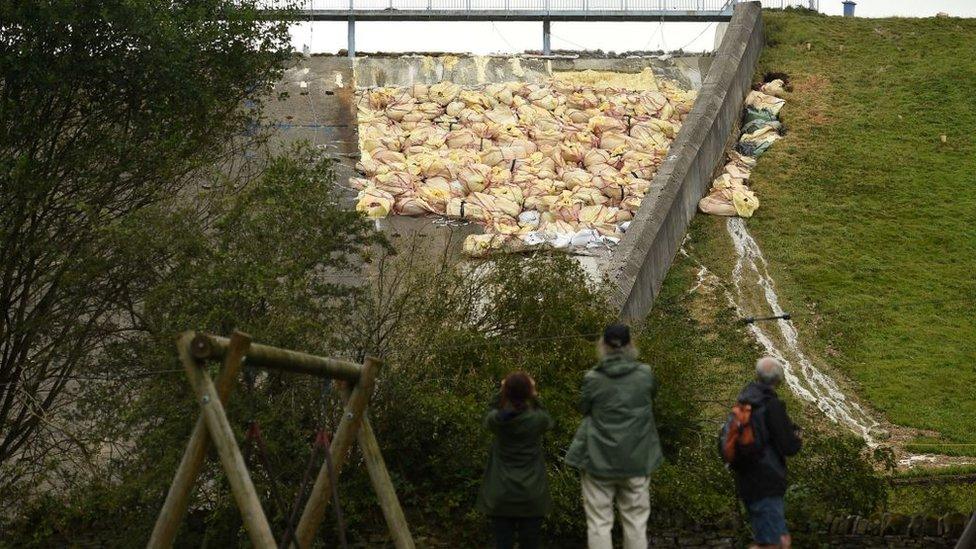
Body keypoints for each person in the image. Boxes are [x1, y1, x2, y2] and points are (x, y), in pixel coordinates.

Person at [565, 324, 662, 549]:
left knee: (599, 522)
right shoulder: (644, 375)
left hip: (598, 458)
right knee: (636, 522)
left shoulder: (593, 378)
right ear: (630, 345)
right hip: (637, 458)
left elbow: (583, 407)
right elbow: (652, 395)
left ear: (603, 345)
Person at [477, 371, 553, 549]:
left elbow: (490, 409)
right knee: (531, 543)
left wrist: (502, 391)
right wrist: (533, 395)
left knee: (503, 544)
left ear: (506, 393)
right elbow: (547, 418)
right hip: (531, 495)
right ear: (529, 393)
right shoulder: (537, 420)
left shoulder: (497, 421)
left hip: (501, 494)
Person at [733, 357, 803, 549]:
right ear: (778, 380)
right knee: (774, 543)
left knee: (775, 541)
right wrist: (796, 436)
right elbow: (789, 446)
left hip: (746, 479)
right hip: (767, 479)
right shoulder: (770, 406)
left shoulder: (744, 402)